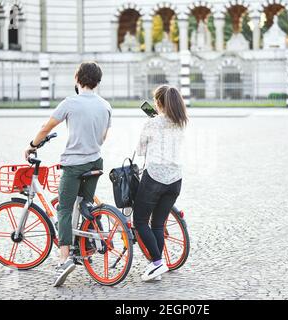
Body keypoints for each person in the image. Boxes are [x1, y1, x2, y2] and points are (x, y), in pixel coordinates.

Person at [24, 62, 112, 287]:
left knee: (64, 208)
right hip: (96, 162)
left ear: (77, 79)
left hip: (74, 164)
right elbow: (102, 138)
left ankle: (64, 260)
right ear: (98, 82)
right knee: (85, 203)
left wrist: (33, 145)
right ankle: (86, 244)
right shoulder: (106, 106)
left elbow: (46, 128)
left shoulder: (70, 103)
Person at [133, 85, 188, 281]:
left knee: (139, 221)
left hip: (155, 177)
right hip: (175, 180)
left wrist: (151, 122)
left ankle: (157, 263)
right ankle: (156, 265)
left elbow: (140, 151)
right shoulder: (181, 122)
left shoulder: (152, 124)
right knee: (157, 224)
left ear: (158, 103)